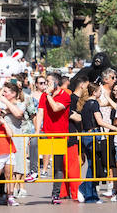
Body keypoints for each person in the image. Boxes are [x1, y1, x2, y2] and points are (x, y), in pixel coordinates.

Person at [39, 72, 74, 203]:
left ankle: (56, 194)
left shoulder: (65, 96)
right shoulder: (44, 95)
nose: (45, 85)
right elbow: (40, 112)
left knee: (58, 165)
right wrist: (37, 132)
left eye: (47, 82)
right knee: (38, 154)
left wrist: (48, 95)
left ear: (54, 83)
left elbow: (55, 108)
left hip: (59, 135)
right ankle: (34, 173)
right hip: (46, 133)